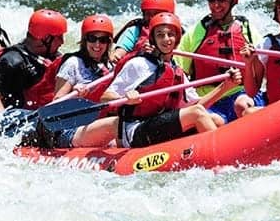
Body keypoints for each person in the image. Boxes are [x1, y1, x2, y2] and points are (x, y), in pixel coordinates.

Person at [13, 12, 242, 149]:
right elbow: (106, 96)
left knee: (213, 118)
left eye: (171, 34)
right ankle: (221, 154)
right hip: (134, 129)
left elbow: (195, 105)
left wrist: (225, 87)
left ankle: (210, 151)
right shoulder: (139, 64)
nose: (166, 39)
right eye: (160, 34)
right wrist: (126, 98)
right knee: (198, 116)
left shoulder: (177, 71)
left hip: (154, 123)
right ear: (152, 37)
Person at [175, 0, 264, 123]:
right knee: (214, 121)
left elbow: (263, 67)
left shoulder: (247, 30)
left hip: (240, 93)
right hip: (210, 98)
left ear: (233, 1)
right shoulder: (197, 32)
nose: (216, 5)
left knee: (242, 105)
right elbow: (179, 72)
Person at [0, 9, 67, 112]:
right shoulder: (11, 61)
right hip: (20, 116)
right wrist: (6, 122)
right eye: (59, 37)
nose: (62, 42)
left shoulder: (52, 56)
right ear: (46, 38)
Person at [52, 14, 115, 101]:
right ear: (85, 40)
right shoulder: (73, 64)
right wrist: (74, 95)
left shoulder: (110, 66)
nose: (97, 44)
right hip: (79, 111)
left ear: (109, 42)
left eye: (103, 40)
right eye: (92, 38)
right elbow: (57, 101)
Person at [111, 0, 176, 62]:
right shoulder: (135, 30)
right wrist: (139, 53)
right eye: (148, 13)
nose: (151, 18)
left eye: (156, 13)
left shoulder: (177, 33)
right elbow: (118, 54)